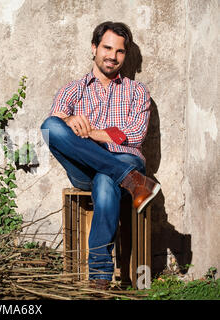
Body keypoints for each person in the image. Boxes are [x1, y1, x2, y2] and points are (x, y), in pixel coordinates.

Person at [40, 21, 160, 290]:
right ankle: (134, 181)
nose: (112, 56)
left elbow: (134, 135)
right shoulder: (74, 89)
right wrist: (70, 121)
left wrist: (91, 132)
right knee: (50, 126)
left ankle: (100, 277)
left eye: (119, 51)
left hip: (125, 158)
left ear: (125, 56)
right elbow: (56, 124)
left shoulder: (137, 91)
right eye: (107, 48)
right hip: (85, 170)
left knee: (106, 180)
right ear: (94, 48)